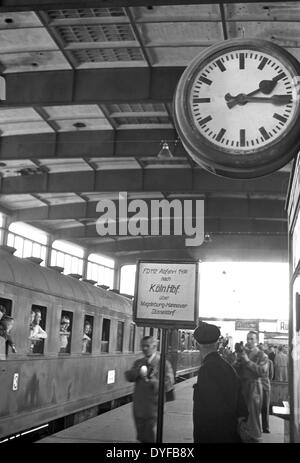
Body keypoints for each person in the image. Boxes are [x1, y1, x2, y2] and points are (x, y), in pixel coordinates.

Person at [193, 322, 248, 443]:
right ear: (217, 344)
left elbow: (207, 411)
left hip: (213, 436)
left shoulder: (206, 370)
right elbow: (242, 405)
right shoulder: (228, 367)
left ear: (197, 345)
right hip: (230, 433)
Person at [125, 335, 174, 443]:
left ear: (155, 346)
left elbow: (169, 382)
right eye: (143, 346)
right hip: (139, 407)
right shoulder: (138, 363)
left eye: (147, 346)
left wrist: (156, 383)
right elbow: (129, 377)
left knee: (149, 436)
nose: (145, 348)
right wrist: (136, 372)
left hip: (154, 407)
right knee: (142, 436)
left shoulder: (163, 363)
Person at [233, 330, 268, 442]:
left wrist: (248, 362)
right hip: (242, 386)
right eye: (248, 338)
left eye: (252, 339)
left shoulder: (262, 355)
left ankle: (255, 437)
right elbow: (234, 369)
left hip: (254, 388)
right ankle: (242, 435)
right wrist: (237, 363)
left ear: (257, 341)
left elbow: (262, 372)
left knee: (253, 415)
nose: (249, 341)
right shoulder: (243, 354)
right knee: (240, 414)